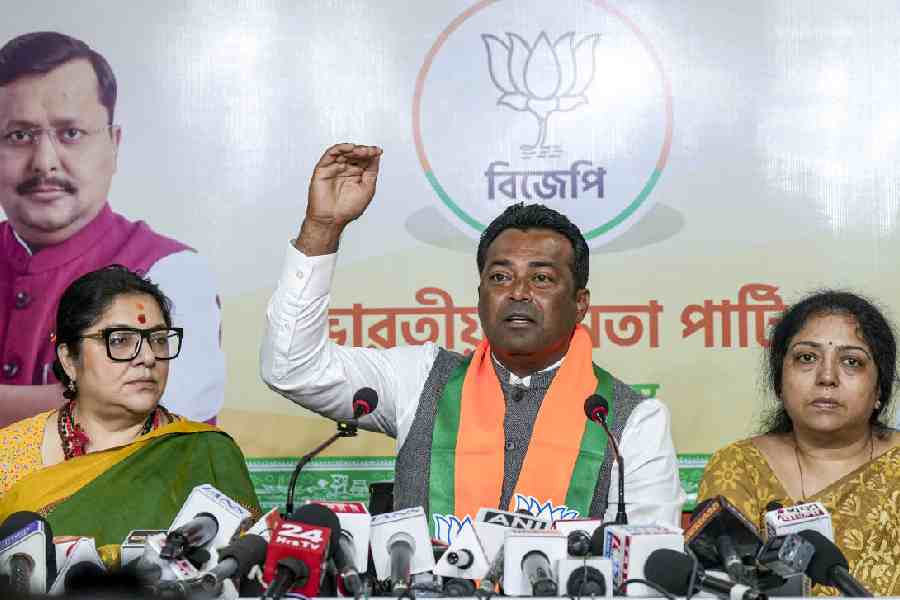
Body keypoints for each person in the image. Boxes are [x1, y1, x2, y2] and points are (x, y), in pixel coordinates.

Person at [260, 143, 684, 542]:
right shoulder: (420, 379)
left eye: (541, 278)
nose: (518, 292)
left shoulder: (629, 422)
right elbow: (293, 367)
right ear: (480, 294)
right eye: (500, 277)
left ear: (580, 304)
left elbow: (646, 566)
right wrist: (322, 229)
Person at [0, 31, 224, 426]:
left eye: (70, 133)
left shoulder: (172, 272)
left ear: (113, 144)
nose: (44, 162)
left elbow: (144, 411)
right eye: (20, 135)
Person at [0, 266, 259, 547]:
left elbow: (240, 572)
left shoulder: (206, 451)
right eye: (120, 340)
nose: (148, 357)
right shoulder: (9, 454)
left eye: (159, 340)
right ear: (69, 359)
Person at [698, 290, 900, 595]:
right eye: (807, 358)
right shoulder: (739, 466)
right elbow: (720, 587)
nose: (827, 376)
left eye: (851, 361)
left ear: (879, 391)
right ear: (779, 381)